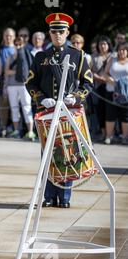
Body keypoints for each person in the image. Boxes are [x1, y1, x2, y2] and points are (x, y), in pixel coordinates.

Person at [25, 12, 93, 208]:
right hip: (47, 111)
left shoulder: (77, 55)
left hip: (68, 111)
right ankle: (48, 196)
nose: (57, 35)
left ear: (67, 32)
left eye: (61, 32)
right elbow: (30, 83)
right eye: (54, 32)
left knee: (68, 152)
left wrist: (77, 97)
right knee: (47, 154)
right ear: (49, 33)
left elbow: (88, 83)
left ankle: (64, 197)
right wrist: (41, 98)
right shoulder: (40, 57)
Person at [5, 36, 35, 140]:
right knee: (14, 108)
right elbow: (7, 71)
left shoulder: (27, 55)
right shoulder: (11, 56)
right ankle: (16, 130)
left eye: (20, 44)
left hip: (24, 84)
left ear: (23, 44)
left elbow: (31, 70)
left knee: (27, 107)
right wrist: (18, 72)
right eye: (16, 44)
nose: (18, 46)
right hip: (12, 85)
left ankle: (30, 131)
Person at [103, 42, 128, 145]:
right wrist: (109, 79)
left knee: (125, 116)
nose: (121, 51)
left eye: (124, 49)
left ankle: (124, 137)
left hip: (125, 93)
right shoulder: (112, 60)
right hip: (111, 91)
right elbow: (105, 73)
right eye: (119, 49)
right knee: (110, 114)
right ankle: (109, 136)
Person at [90, 36, 112, 141]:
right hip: (97, 87)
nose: (102, 46)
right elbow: (89, 71)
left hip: (110, 87)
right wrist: (98, 77)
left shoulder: (113, 56)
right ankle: (104, 133)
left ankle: (111, 134)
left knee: (110, 110)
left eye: (105, 44)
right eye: (100, 44)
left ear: (108, 45)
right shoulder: (93, 57)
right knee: (99, 110)